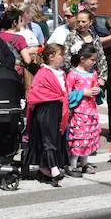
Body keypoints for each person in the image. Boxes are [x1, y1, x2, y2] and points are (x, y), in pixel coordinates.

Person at [24, 44, 70, 187]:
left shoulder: (61, 73)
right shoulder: (43, 73)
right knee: (48, 138)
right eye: (60, 55)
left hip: (57, 108)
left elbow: (64, 90)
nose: (63, 57)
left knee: (56, 137)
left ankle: (46, 167)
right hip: (45, 108)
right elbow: (36, 91)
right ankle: (54, 169)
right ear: (51, 57)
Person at [64, 44, 101, 177]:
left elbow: (95, 87)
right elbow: (67, 94)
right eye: (92, 60)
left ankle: (84, 164)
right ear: (82, 59)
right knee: (78, 138)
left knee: (89, 137)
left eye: (95, 60)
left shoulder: (93, 73)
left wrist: (98, 90)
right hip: (78, 111)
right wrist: (83, 92)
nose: (94, 63)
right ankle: (72, 165)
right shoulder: (73, 74)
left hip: (91, 110)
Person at [63, 9, 108, 87]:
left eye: (83, 22)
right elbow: (66, 57)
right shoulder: (71, 36)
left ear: (90, 22)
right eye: (78, 21)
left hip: (93, 77)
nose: (80, 24)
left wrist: (102, 77)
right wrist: (73, 74)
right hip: (77, 78)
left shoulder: (95, 37)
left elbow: (101, 58)